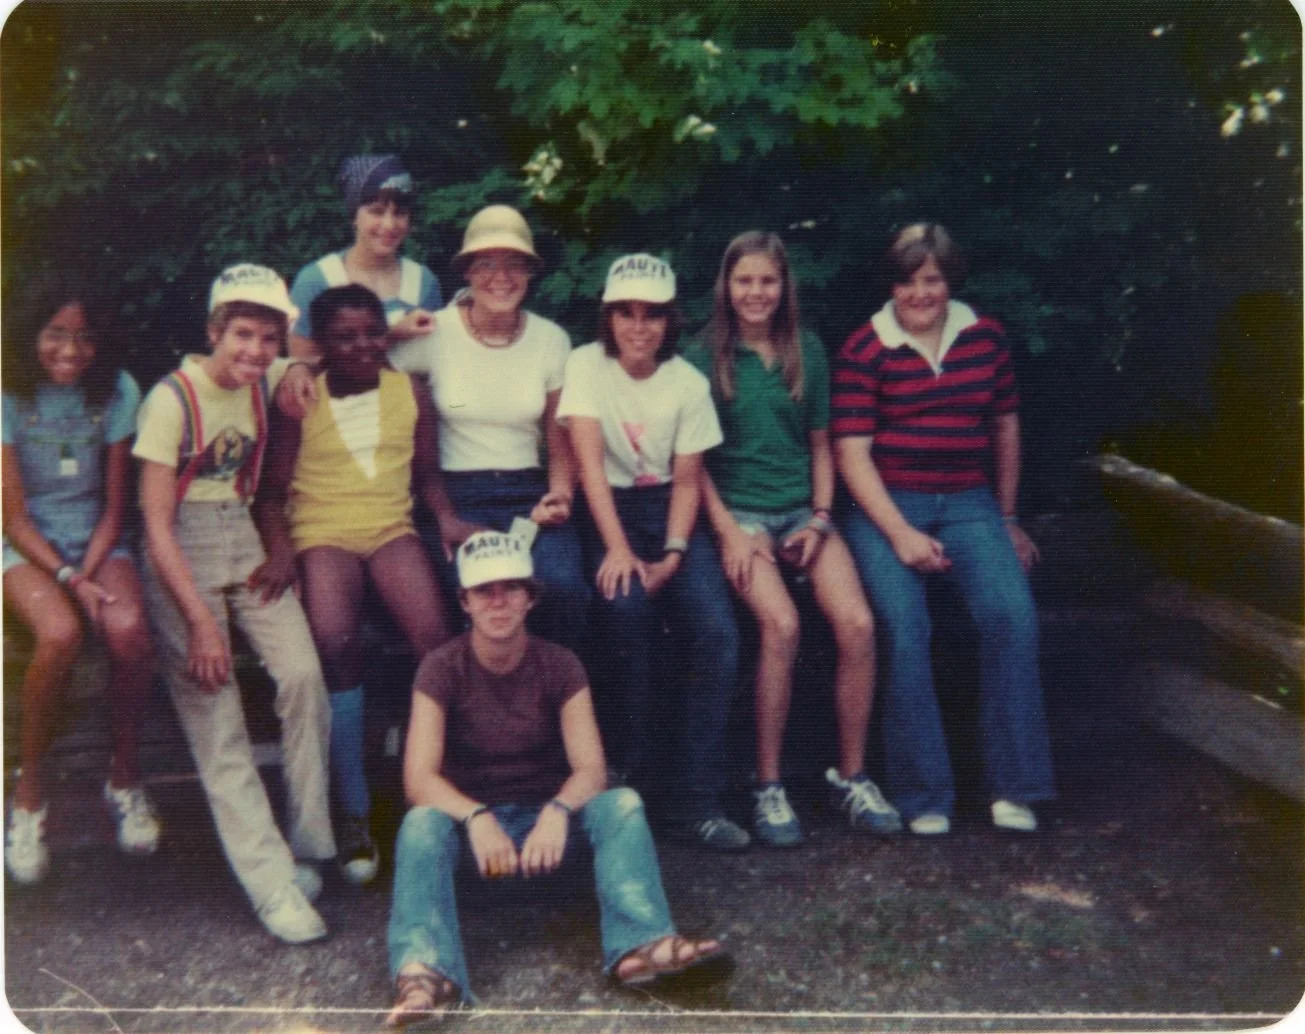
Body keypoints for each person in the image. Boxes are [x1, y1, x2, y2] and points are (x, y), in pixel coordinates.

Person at [385, 530, 731, 1025]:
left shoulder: (560, 665)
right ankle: (424, 973)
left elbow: (592, 769)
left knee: (623, 803)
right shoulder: (440, 668)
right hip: (476, 846)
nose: (498, 602)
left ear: (531, 597)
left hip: (549, 839)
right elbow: (419, 779)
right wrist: (477, 817)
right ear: (464, 601)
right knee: (421, 823)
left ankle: (642, 946)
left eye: (511, 588)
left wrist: (558, 810)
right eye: (484, 591)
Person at [830, 222, 1055, 835]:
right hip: (886, 505)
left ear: (949, 280)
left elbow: (1005, 427)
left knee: (1013, 618)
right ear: (892, 285)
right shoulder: (864, 349)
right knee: (904, 625)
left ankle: (1015, 788)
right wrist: (900, 534)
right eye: (906, 281)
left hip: (968, 501)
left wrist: (1007, 517)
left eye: (931, 279)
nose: (919, 294)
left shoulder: (984, 338)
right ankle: (923, 794)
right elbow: (852, 455)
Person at [134, 264, 335, 943]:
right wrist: (198, 622)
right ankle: (271, 885)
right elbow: (156, 525)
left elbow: (306, 362)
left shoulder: (271, 377)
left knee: (304, 675)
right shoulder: (171, 399)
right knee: (216, 714)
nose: (254, 351)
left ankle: (308, 845)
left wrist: (298, 369)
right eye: (242, 334)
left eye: (269, 338)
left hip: (243, 534)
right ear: (214, 330)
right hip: (179, 548)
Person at [684, 231, 901, 847]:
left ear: (785, 288)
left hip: (803, 513)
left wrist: (822, 517)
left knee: (858, 625)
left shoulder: (806, 349)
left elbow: (821, 444)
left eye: (768, 281)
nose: (756, 292)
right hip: (740, 515)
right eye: (745, 280)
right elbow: (691, 465)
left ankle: (851, 776)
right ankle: (768, 785)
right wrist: (729, 534)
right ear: (727, 286)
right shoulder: (704, 358)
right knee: (781, 625)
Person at [254, 284, 453, 886]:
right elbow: (270, 494)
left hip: (390, 528)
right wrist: (282, 547)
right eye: (346, 336)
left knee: (437, 639)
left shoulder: (409, 392)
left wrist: (447, 520)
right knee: (335, 639)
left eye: (372, 332)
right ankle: (353, 807)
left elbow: (428, 477)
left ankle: (435, 784)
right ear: (322, 344)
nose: (362, 345)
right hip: (322, 532)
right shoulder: (302, 397)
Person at [557, 254, 748, 852]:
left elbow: (687, 479)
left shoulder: (687, 383)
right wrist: (617, 550)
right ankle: (626, 785)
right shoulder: (585, 365)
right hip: (606, 507)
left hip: (668, 512)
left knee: (717, 631)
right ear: (608, 318)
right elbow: (588, 466)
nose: (639, 328)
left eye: (652, 316)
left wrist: (670, 555)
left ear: (670, 322)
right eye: (626, 314)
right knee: (625, 612)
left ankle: (700, 799)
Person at [2, 276, 160, 885]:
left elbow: (116, 509)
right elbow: (11, 517)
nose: (71, 349)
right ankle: (29, 794)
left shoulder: (117, 390)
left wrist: (89, 572)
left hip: (96, 541)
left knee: (128, 632)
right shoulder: (7, 392)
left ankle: (123, 780)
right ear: (31, 334)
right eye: (56, 333)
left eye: (84, 336)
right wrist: (68, 579)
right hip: (24, 547)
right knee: (61, 634)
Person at [388, 204, 590, 654]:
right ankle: (468, 718)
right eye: (486, 263)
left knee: (562, 588)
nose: (501, 276)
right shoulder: (432, 332)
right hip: (455, 495)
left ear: (530, 272)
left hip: (528, 494)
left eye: (514, 263)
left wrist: (560, 497)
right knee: (470, 595)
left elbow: (560, 447)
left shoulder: (551, 339)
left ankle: (554, 705)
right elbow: (360, 365)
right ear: (467, 272)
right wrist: (389, 331)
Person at [288, 154, 442, 359]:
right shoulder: (316, 281)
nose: (389, 225)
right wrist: (393, 334)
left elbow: (435, 362)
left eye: (400, 213)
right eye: (376, 212)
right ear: (354, 216)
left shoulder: (423, 281)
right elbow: (302, 368)